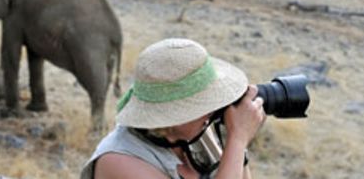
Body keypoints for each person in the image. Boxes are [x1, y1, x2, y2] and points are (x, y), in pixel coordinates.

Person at [80, 38, 266, 179]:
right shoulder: (118, 160)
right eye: (204, 103)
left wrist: (234, 141)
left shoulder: (193, 132)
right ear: (173, 115)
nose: (212, 110)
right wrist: (238, 139)